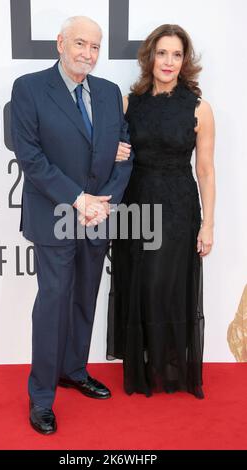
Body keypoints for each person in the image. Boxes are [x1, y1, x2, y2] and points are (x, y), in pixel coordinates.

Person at [11, 16, 133, 434]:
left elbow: (125, 152)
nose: (88, 53)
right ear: (60, 43)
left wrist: (106, 203)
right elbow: (31, 158)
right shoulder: (29, 88)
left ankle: (74, 371)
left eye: (95, 47)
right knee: (53, 304)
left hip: (97, 217)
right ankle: (42, 397)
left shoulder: (109, 92)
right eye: (80, 43)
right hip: (55, 215)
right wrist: (79, 200)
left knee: (84, 297)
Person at [107, 24, 215, 399]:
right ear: (150, 56)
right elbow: (108, 152)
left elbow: (205, 169)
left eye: (177, 54)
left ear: (185, 61)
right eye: (162, 53)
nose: (168, 61)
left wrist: (208, 224)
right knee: (137, 281)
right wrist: (114, 152)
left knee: (167, 284)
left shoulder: (199, 108)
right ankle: (140, 366)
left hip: (177, 207)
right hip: (134, 203)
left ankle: (169, 366)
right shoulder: (127, 103)